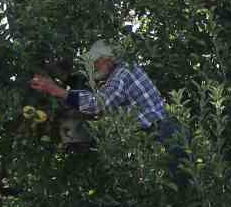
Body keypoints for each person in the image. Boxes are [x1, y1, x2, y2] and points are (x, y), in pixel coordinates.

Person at [29, 40, 187, 179]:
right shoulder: (122, 73)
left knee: (178, 186)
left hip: (162, 134)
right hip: (161, 134)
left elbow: (98, 103)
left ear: (108, 59)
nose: (93, 66)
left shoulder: (122, 73)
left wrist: (56, 90)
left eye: (96, 61)